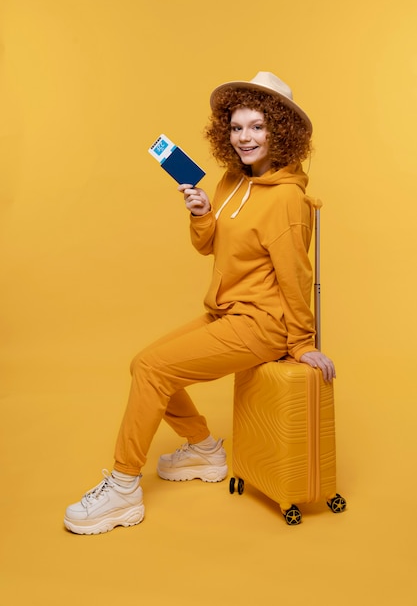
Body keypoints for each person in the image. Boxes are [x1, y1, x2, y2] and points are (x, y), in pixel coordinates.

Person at [64, 71, 336, 535]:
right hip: (225, 311)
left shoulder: (289, 199)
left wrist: (302, 343)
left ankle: (124, 486)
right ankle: (204, 450)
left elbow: (296, 276)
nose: (244, 137)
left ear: (280, 132)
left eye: (257, 127)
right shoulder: (231, 181)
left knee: (154, 367)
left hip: (262, 324)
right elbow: (210, 247)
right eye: (236, 127)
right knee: (143, 365)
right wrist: (202, 213)